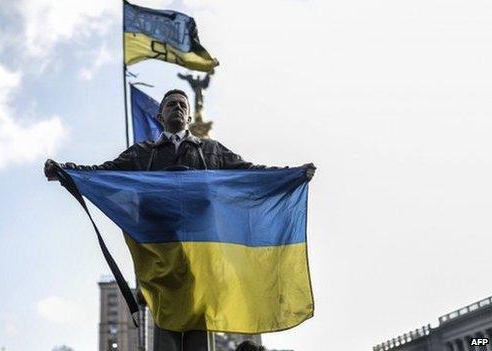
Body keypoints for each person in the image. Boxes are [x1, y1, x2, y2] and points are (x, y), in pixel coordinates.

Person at [44, 89, 316, 351]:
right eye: (171, 104)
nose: (177, 107)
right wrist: (65, 172)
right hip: (161, 253)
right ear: (160, 116)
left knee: (199, 332)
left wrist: (291, 175)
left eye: (182, 105)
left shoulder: (211, 151)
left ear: (188, 119)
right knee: (166, 326)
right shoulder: (143, 153)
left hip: (201, 253)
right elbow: (103, 173)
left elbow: (250, 173)